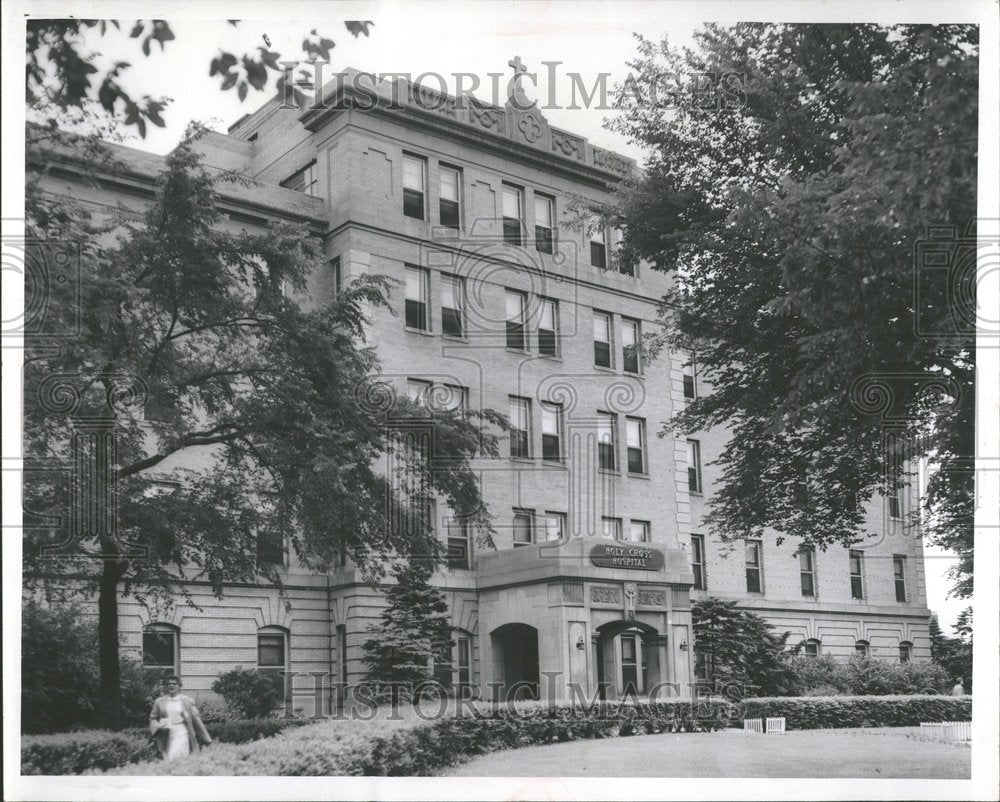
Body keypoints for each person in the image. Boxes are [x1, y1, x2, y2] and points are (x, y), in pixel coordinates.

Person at [149, 675, 212, 760]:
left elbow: (196, 720)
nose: (171, 686)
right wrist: (158, 726)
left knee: (176, 755)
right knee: (167, 757)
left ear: (179, 686)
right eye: (169, 684)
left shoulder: (187, 701)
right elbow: (153, 718)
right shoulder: (159, 702)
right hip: (166, 733)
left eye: (174, 684)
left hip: (182, 732)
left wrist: (206, 738)